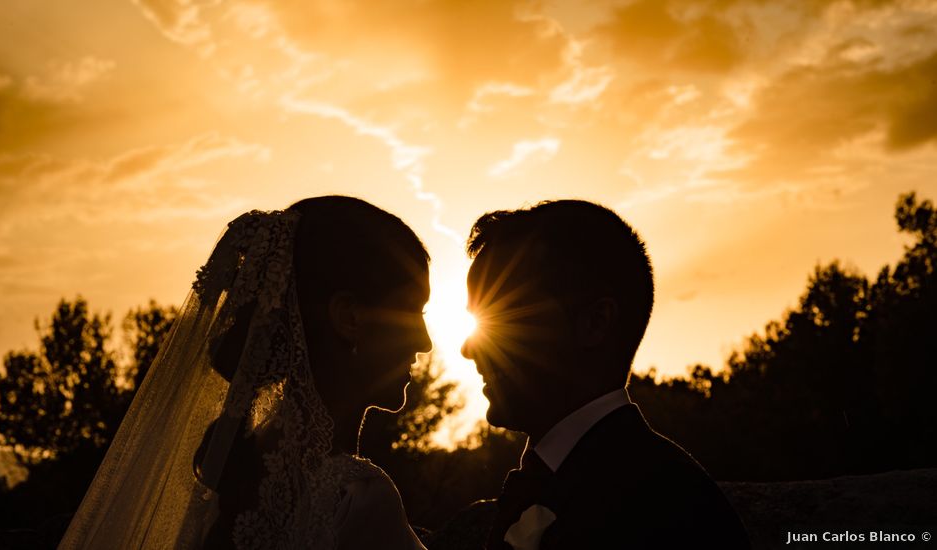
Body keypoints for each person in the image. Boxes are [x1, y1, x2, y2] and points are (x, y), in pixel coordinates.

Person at [59, 196, 432, 549]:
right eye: (413, 310)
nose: (425, 341)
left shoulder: (233, 473)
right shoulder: (361, 498)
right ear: (349, 318)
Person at [460, 200, 751, 549]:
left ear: (596, 324)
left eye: (503, 317)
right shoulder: (552, 478)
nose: (469, 348)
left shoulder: (665, 506)